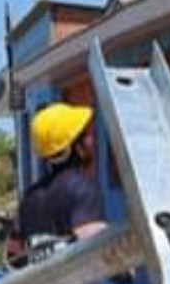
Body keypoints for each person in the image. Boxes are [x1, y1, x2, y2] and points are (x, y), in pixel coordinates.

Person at [15, 101, 105, 262]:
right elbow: (96, 254)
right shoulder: (82, 189)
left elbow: (16, 254)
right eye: (84, 135)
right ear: (72, 146)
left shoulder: (30, 197)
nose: (90, 141)